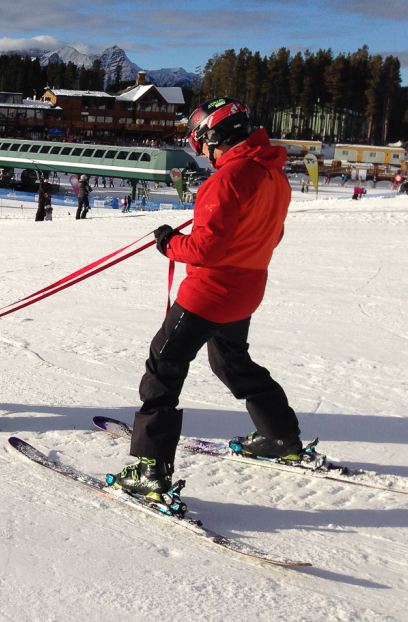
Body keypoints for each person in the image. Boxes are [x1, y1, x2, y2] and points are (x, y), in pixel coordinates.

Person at [109, 97, 302, 509]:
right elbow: (270, 234)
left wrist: (169, 244)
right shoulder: (274, 175)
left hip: (210, 293)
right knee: (231, 362)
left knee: (163, 368)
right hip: (246, 290)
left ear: (216, 136)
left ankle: (150, 471)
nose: (204, 154)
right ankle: (279, 435)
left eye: (203, 144)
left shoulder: (228, 178)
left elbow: (205, 249)